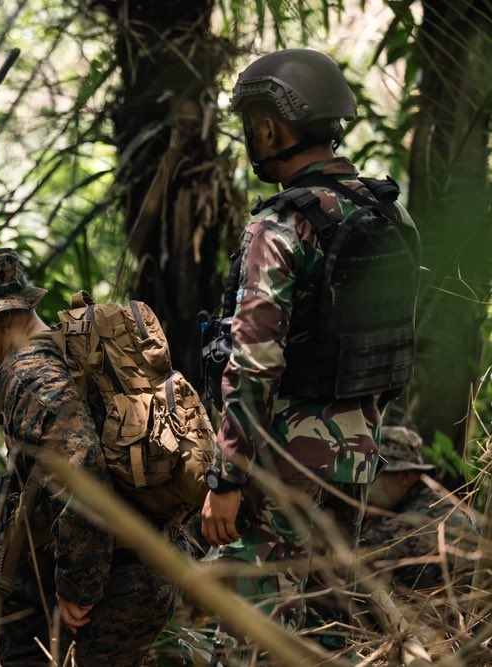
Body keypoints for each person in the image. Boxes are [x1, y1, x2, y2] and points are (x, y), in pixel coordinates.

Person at [200, 48, 420, 644]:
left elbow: (253, 365)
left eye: (252, 125)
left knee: (260, 633)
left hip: (280, 466)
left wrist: (225, 479)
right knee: (326, 623)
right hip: (356, 458)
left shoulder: (279, 226)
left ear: (269, 126)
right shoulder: (389, 215)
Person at [0, 248, 176, 665]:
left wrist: (79, 586)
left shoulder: (30, 373)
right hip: (134, 567)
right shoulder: (64, 349)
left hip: (110, 584)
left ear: (0, 316)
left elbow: (85, 471)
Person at [361, 426, 478, 592]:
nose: (362, 486)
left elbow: (341, 569)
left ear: (405, 477)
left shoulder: (404, 528)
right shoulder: (440, 504)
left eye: (371, 476)